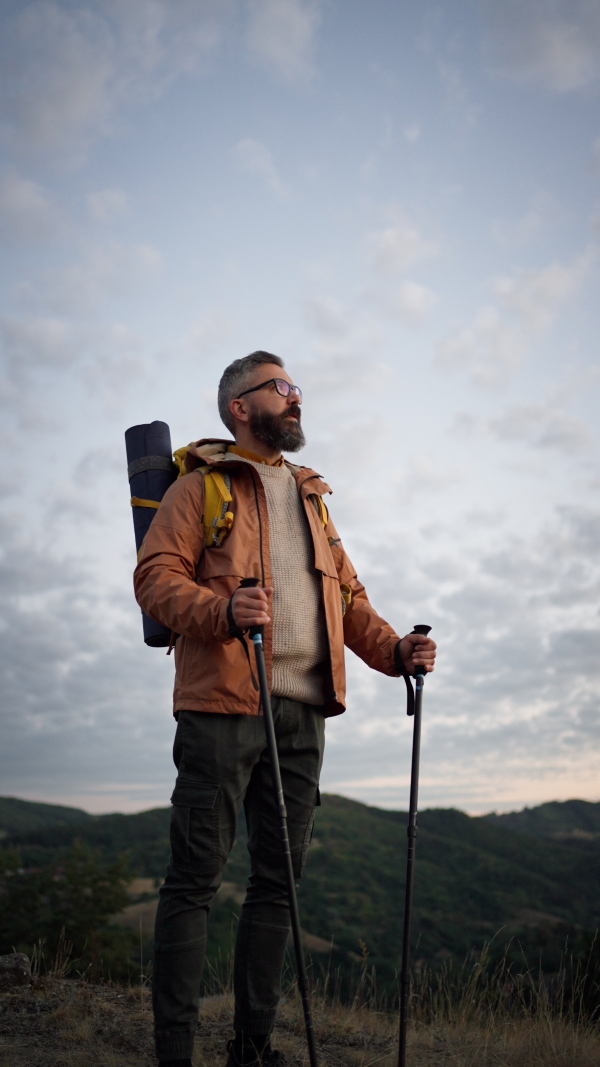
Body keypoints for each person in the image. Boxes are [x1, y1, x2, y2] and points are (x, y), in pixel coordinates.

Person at [134, 351, 437, 1067]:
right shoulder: (200, 488)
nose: (296, 398)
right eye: (281, 387)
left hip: (302, 711)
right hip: (221, 707)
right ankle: (173, 1053)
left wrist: (396, 651)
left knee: (280, 883)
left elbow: (348, 601)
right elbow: (154, 579)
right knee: (195, 878)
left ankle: (253, 1046)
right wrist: (220, 608)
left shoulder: (311, 497)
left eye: (296, 387)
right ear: (241, 406)